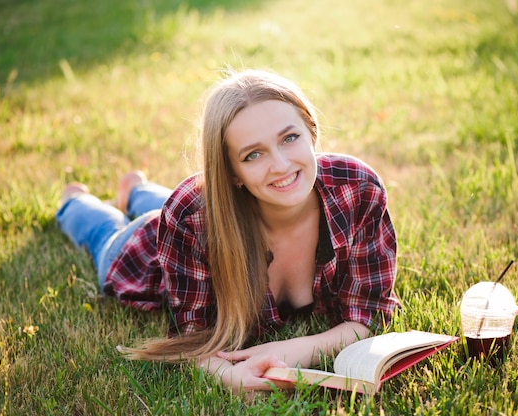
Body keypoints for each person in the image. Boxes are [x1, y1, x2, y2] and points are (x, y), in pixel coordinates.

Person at [56, 69, 401, 392]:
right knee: (104, 232)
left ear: (311, 132)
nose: (281, 165)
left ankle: (135, 189)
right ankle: (76, 199)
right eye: (253, 155)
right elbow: (193, 336)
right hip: (143, 248)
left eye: (289, 138)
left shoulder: (356, 188)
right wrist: (225, 373)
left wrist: (291, 349)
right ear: (231, 172)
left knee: (170, 200)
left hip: (225, 202)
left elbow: (368, 313)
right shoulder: (190, 218)